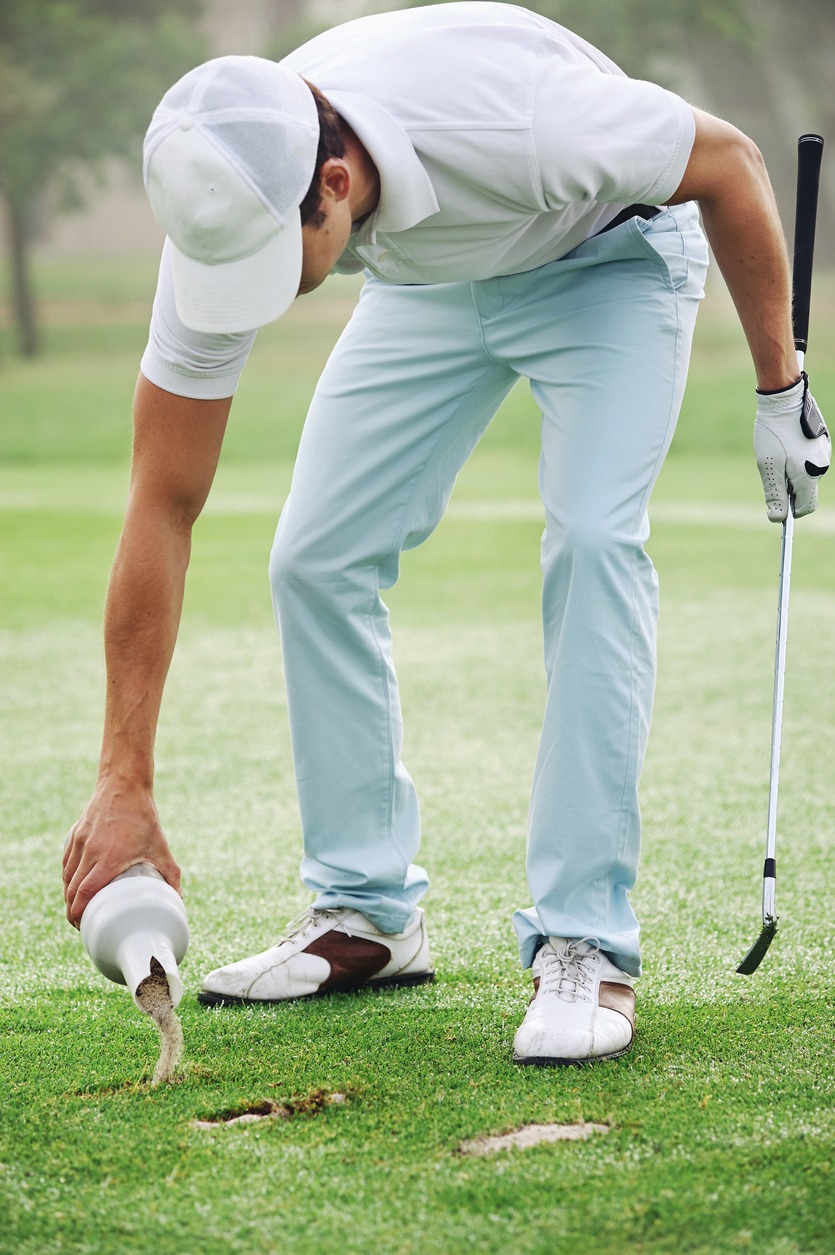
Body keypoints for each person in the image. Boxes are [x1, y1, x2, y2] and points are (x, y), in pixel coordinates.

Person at [62, 2, 829, 1065]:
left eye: (273, 263)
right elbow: (162, 498)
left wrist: (776, 388)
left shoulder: (531, 123)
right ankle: (366, 912)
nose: (262, 298)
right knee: (313, 555)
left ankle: (584, 943)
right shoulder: (232, 181)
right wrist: (122, 780)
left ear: (333, 183)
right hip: (436, 277)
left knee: (594, 545)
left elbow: (732, 165)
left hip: (606, 255)